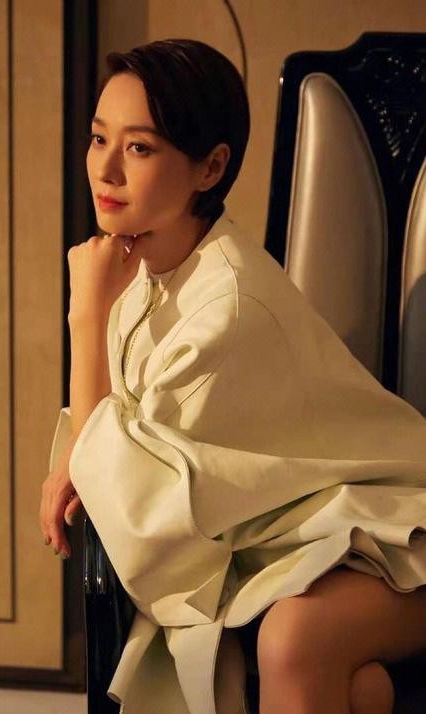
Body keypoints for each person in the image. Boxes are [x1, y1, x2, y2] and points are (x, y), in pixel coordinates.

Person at [39, 38, 426, 714]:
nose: (106, 168)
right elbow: (122, 457)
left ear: (211, 166)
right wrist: (80, 449)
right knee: (357, 690)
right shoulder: (141, 270)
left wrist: (84, 319)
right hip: (302, 540)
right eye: (100, 138)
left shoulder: (224, 309)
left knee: (293, 641)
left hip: (394, 532)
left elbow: (146, 526)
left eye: (139, 147)